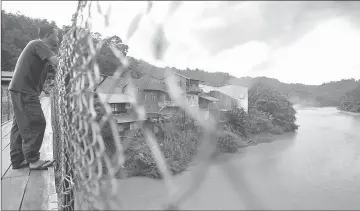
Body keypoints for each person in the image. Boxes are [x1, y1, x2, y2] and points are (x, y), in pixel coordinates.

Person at [8, 25, 60, 170]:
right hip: (24, 90)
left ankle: (17, 160)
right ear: (49, 35)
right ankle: (33, 160)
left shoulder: (37, 49)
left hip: (21, 89)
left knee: (19, 126)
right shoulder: (38, 44)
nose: (58, 37)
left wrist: (44, 88)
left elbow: (37, 73)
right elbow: (57, 62)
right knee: (36, 122)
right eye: (56, 35)